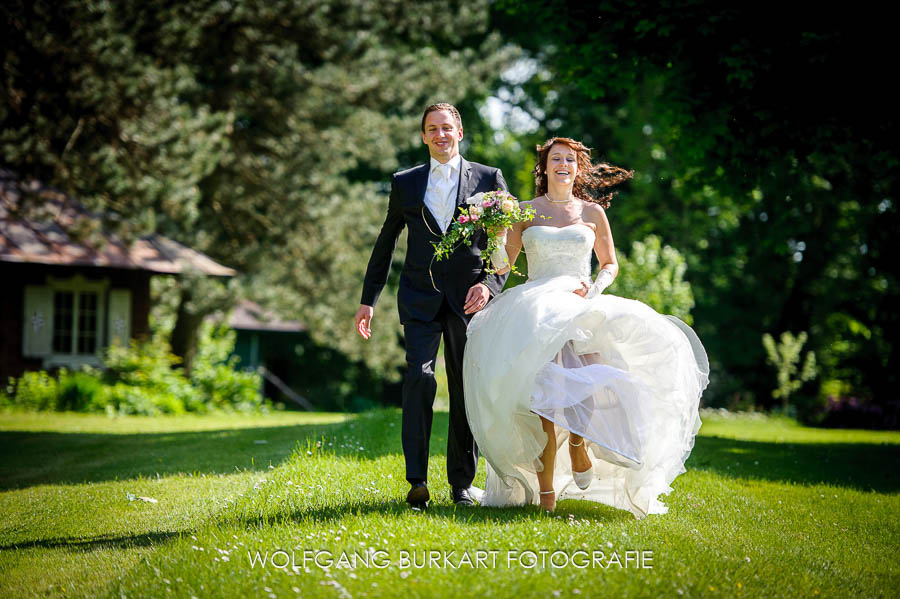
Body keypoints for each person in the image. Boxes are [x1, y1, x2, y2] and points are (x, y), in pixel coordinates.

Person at [463, 137, 709, 518]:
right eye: (555, 159)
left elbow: (609, 262)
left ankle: (578, 443)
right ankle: (546, 493)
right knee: (543, 402)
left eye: (570, 159)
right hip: (535, 309)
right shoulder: (525, 211)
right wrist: (495, 236)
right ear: (543, 168)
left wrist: (595, 289)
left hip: (580, 303)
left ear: (579, 169)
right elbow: (503, 267)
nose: (562, 164)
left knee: (589, 389)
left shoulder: (593, 212)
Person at [355, 103, 509, 509]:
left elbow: (503, 244)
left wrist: (490, 286)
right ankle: (417, 482)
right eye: (432, 129)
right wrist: (367, 300)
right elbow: (385, 244)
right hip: (419, 298)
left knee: (464, 389)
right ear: (424, 136)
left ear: (460, 132)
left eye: (447, 127)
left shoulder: (489, 178)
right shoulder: (405, 182)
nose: (440, 134)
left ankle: (461, 484)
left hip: (468, 300)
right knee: (419, 379)